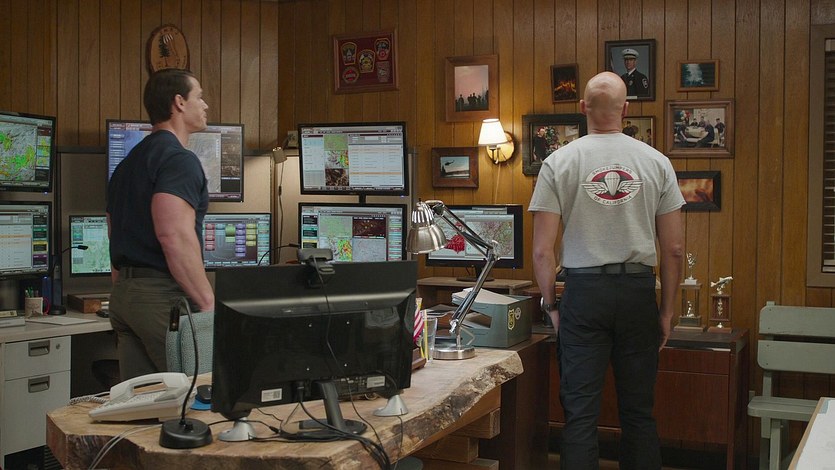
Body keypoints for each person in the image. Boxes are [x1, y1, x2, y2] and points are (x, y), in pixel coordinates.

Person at [529, 71, 684, 469]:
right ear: (625, 109)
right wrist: (666, 311)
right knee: (639, 413)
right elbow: (674, 250)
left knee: (580, 416)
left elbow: (543, 252)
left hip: (584, 294)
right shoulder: (657, 162)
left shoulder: (558, 162)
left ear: (583, 107)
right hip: (637, 292)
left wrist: (551, 307)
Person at [107, 68, 214, 381]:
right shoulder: (179, 160)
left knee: (146, 401)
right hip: (162, 296)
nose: (205, 105)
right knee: (199, 394)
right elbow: (173, 234)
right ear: (179, 102)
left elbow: (113, 231)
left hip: (126, 297)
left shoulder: (126, 165)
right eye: (199, 97)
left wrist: (126, 291)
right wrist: (207, 302)